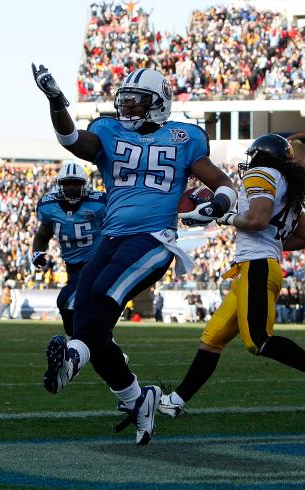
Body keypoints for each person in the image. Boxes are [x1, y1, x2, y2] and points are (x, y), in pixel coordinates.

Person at [32, 63, 236, 445]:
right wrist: (57, 101)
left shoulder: (184, 137)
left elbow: (222, 184)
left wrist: (219, 203)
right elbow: (72, 140)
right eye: (123, 101)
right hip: (111, 236)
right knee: (75, 309)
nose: (126, 108)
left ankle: (73, 360)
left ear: (158, 104)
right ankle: (135, 398)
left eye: (136, 102)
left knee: (101, 303)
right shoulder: (108, 131)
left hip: (154, 238)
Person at [157, 134, 305, 421]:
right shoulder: (289, 186)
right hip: (256, 266)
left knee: (258, 340)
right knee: (212, 338)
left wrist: (226, 218)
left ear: (261, 156)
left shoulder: (262, 173)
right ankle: (176, 400)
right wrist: (269, 240)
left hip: (257, 266)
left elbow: (257, 220)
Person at [32, 162, 105, 336]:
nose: (71, 187)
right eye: (67, 183)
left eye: (76, 183)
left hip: (96, 262)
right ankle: (106, 347)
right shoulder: (50, 208)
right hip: (72, 266)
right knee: (86, 311)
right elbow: (42, 235)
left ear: (84, 184)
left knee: (65, 301)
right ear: (60, 185)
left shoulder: (99, 203)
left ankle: (73, 344)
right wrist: (37, 252)